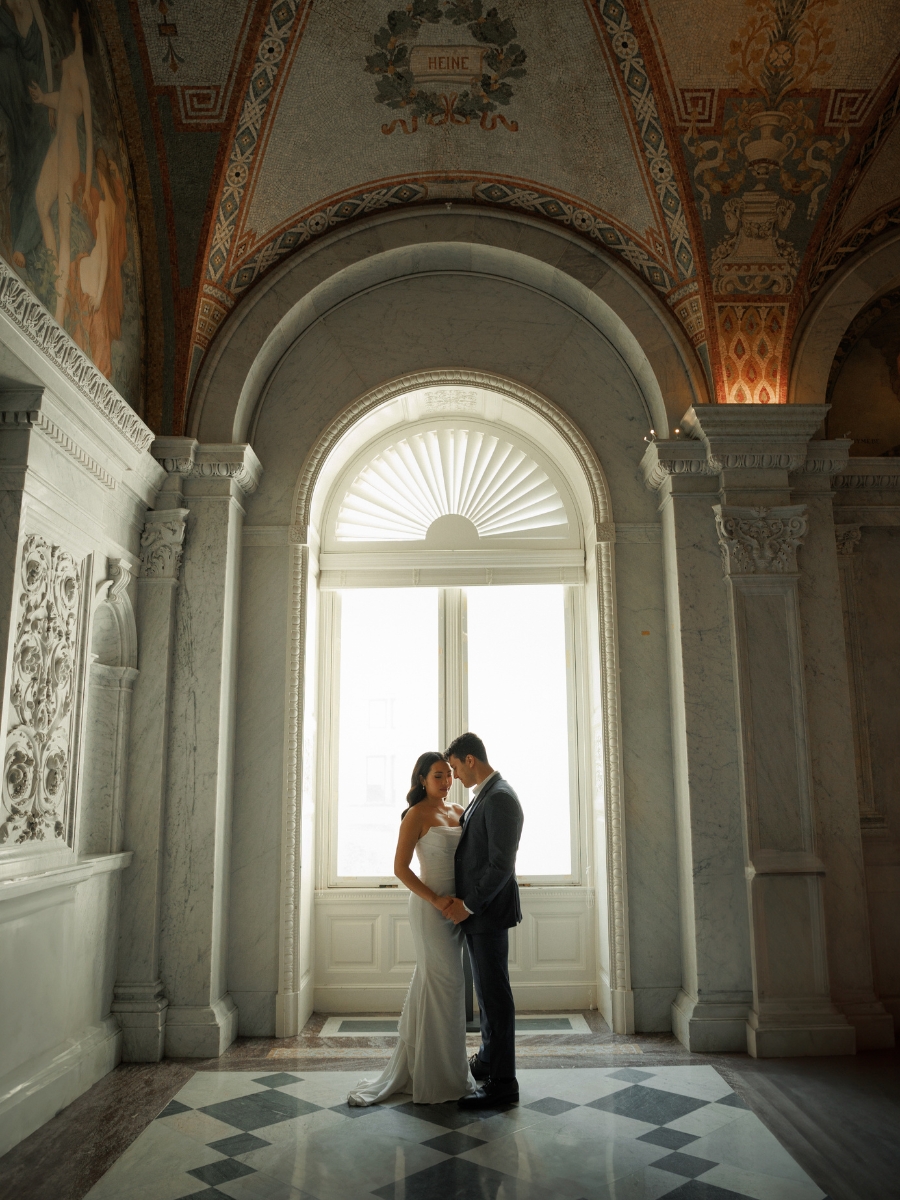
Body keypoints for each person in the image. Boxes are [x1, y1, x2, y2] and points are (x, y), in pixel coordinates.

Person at [347, 752, 477, 1105]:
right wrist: (437, 901)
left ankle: (428, 1069)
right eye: (438, 775)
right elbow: (400, 869)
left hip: (458, 910)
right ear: (422, 779)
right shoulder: (416, 815)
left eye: (449, 775)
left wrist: (462, 903)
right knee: (447, 984)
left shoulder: (459, 811)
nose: (447, 781)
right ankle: (442, 1079)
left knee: (433, 985)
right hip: (430, 909)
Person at [444, 731, 524, 1108]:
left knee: (495, 998)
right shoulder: (486, 796)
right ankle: (489, 1060)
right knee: (487, 997)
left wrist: (468, 905)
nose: (455, 776)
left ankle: (503, 1084)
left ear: (470, 760)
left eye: (456, 767)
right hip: (481, 916)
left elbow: (500, 867)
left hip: (487, 914)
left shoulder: (501, 798)